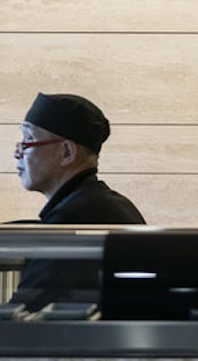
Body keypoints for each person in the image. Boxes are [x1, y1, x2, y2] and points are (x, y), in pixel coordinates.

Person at [10, 93, 144, 310]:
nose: (17, 152)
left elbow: (25, 315)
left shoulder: (71, 221)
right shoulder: (109, 203)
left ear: (66, 152)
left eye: (29, 140)